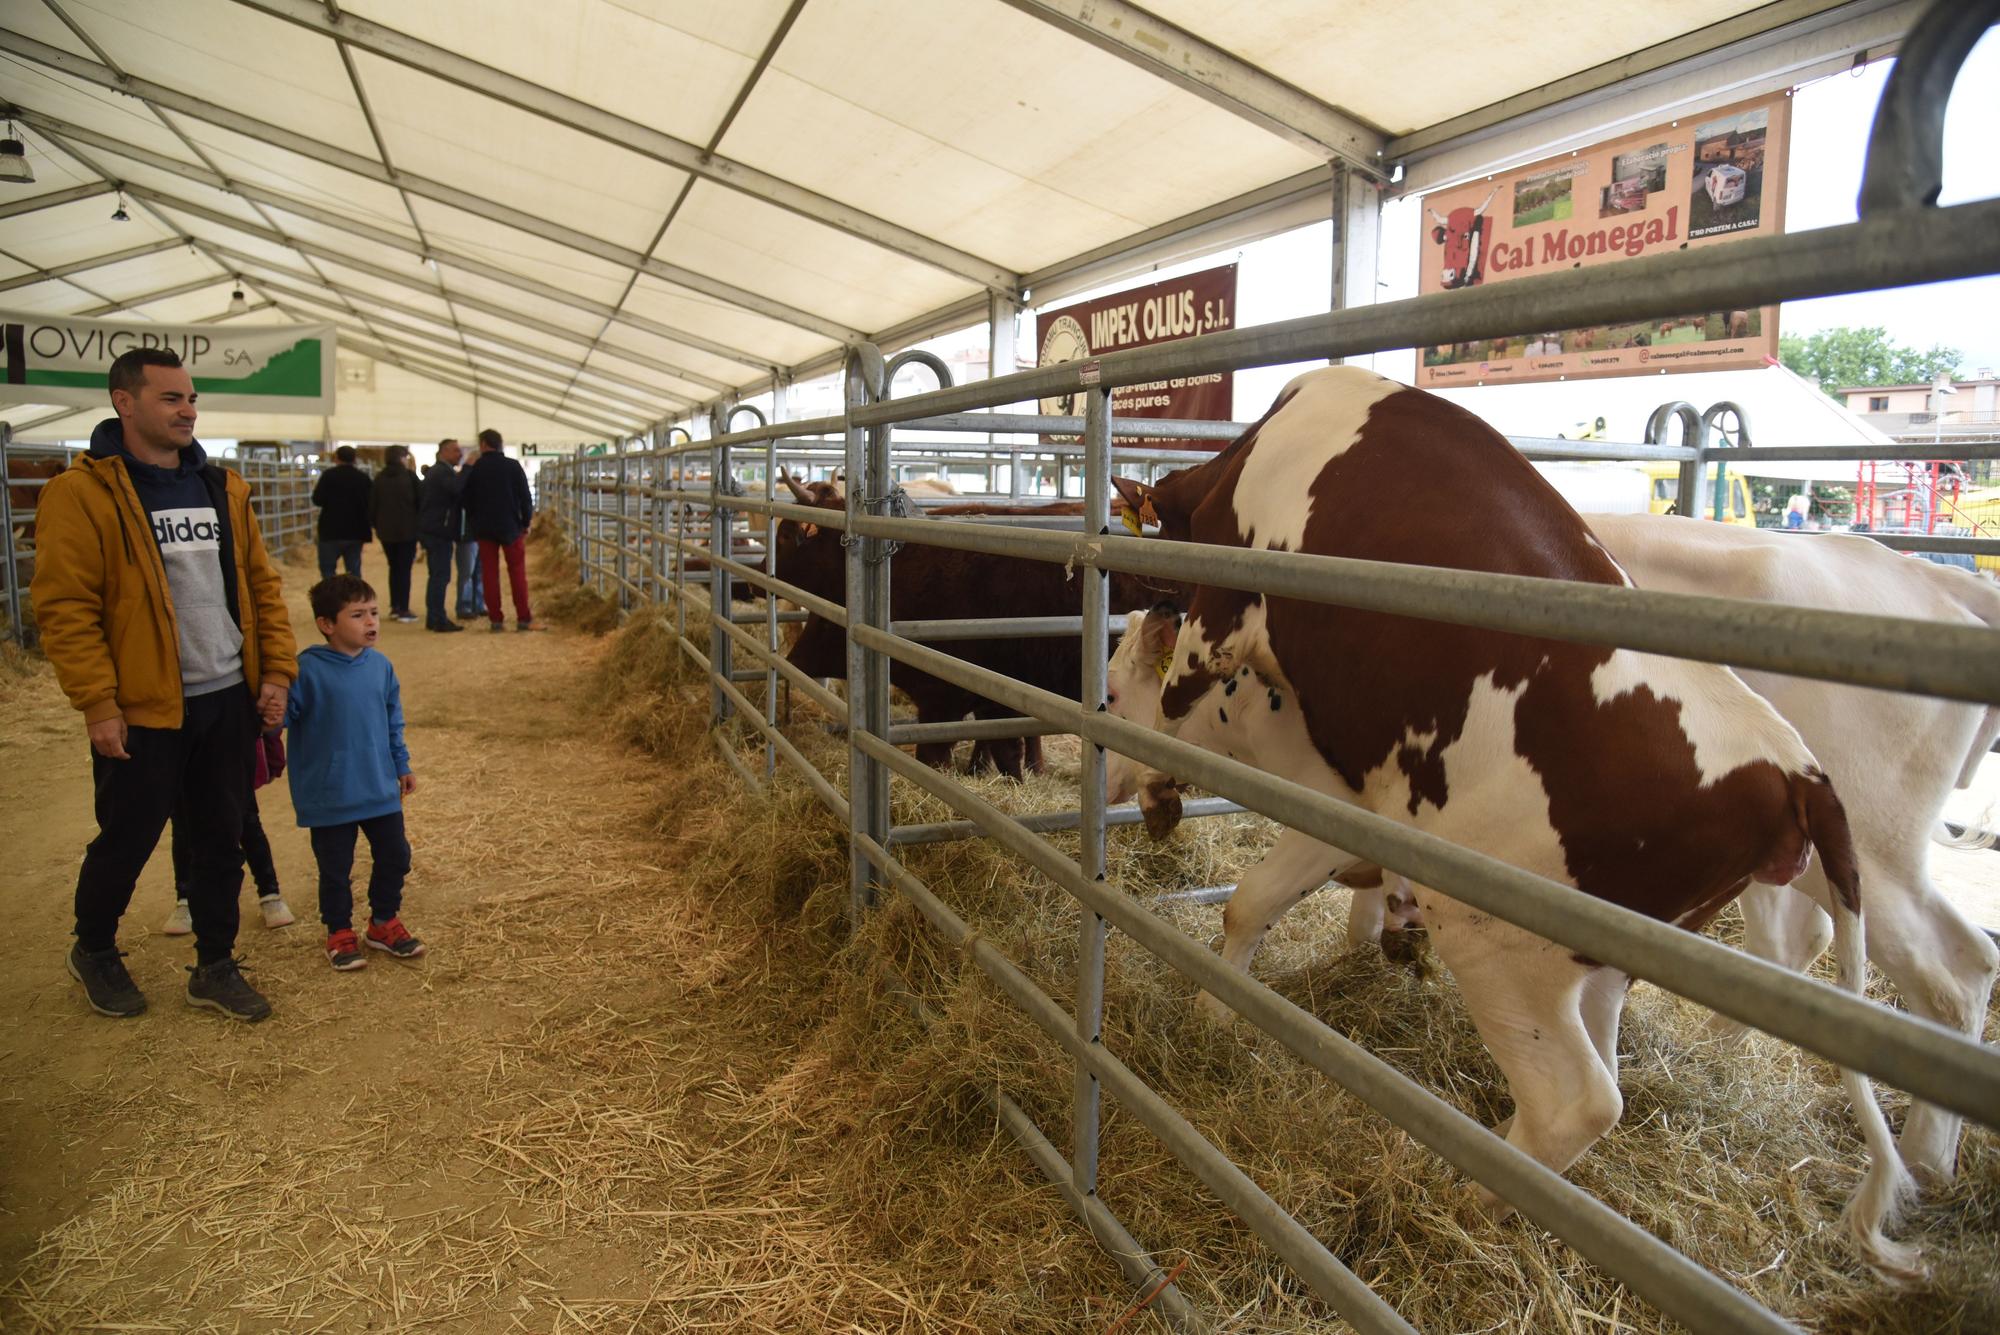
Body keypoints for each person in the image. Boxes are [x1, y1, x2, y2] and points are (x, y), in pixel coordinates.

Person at [32, 346, 296, 1022]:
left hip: (224, 697)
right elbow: (66, 605)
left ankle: (214, 963)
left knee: (219, 835)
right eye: (171, 397)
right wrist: (97, 700)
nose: (188, 409)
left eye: (191, 398)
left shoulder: (221, 488)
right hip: (145, 705)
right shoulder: (82, 493)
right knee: (128, 834)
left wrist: (275, 672)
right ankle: (93, 947)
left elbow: (261, 588)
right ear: (125, 402)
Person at [288, 575, 427, 970]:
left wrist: (401, 764)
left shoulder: (380, 667)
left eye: (374, 613)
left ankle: (383, 921)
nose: (371, 622)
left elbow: (392, 720)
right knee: (335, 868)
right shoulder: (306, 670)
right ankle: (338, 931)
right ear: (327, 624)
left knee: (396, 854)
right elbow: (282, 716)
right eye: (357, 615)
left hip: (378, 785)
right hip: (331, 793)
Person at [164, 729, 296, 932]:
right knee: (183, 824)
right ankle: (185, 899)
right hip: (179, 741)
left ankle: (270, 894)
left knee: (246, 821)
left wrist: (270, 745)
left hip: (228, 742)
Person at [460, 428, 541, 632]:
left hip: (485, 530)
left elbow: (466, 499)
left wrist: (475, 521)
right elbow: (525, 497)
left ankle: (496, 619)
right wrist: (526, 522)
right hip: (511, 527)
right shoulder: (512, 466)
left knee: (489, 573)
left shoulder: (476, 468)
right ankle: (523, 617)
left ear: (484, 444)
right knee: (517, 572)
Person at [418, 439, 466, 633]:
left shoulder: (437, 472)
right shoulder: (442, 473)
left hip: (433, 529)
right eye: (455, 450)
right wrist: (468, 470)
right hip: (438, 530)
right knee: (440, 576)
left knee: (437, 575)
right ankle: (438, 618)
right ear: (444, 452)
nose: (459, 454)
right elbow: (457, 490)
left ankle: (434, 617)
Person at [370, 445, 422, 623]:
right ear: (401, 458)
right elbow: (420, 502)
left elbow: (373, 505)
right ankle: (404, 608)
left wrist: (377, 526)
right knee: (404, 569)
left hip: (386, 532)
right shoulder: (409, 477)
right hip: (407, 531)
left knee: (394, 567)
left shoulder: (379, 478)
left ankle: (395, 606)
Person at [312, 445, 371, 580]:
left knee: (328, 569)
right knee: (354, 571)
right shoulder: (362, 478)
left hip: (331, 530)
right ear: (355, 459)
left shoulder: (328, 476)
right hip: (356, 531)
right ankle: (354, 599)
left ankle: (331, 599)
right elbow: (371, 503)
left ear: (336, 458)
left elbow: (317, 499)